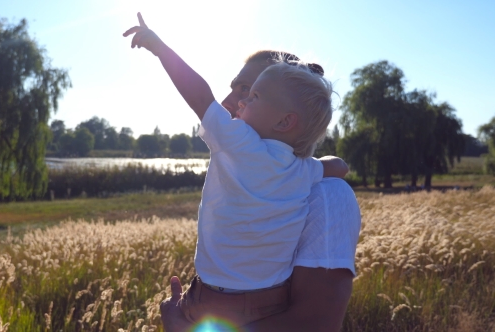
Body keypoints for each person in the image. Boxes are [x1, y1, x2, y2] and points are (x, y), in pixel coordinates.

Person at [123, 13, 351, 327]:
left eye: (251, 93)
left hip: (210, 297)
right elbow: (333, 166)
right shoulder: (301, 170)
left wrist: (161, 48)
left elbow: (200, 95)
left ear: (284, 120)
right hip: (265, 302)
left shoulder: (241, 144)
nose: (236, 102)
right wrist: (338, 165)